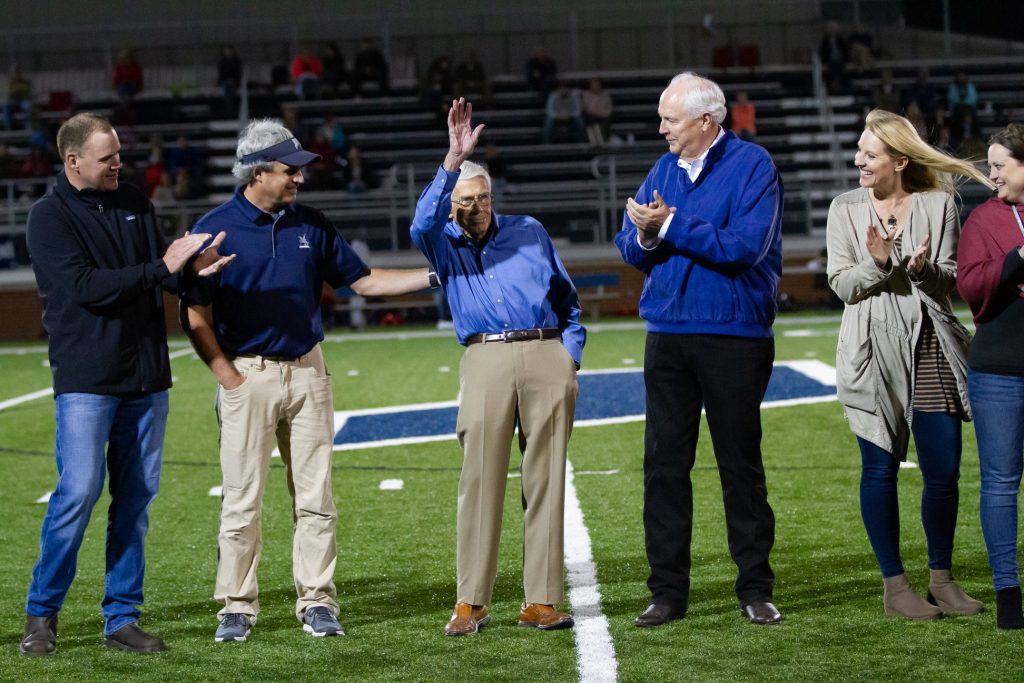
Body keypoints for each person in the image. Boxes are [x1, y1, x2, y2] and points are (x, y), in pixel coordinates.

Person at [180, 118, 432, 643]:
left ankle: (317, 600)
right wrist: (229, 378)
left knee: (316, 498)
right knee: (242, 500)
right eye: (289, 169)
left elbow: (363, 282)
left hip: (309, 372)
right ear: (256, 171)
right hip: (247, 374)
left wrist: (436, 276)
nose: (299, 178)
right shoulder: (212, 228)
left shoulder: (311, 224)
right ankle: (236, 607)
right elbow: (195, 316)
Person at [18, 112, 232, 657]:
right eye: (107, 157)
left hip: (146, 376)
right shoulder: (47, 218)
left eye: (119, 155)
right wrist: (164, 266)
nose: (119, 164)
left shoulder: (136, 201)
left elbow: (158, 273)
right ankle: (42, 615)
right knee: (79, 492)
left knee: (135, 501)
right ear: (74, 162)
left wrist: (192, 271)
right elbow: (86, 287)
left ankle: (121, 618)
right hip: (87, 378)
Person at [614, 72, 783, 628]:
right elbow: (629, 241)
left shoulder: (753, 165)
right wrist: (644, 234)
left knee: (739, 466)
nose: (661, 128)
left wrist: (671, 225)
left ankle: (755, 588)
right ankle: (666, 592)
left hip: (734, 336)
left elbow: (743, 247)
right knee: (663, 467)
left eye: (670, 119)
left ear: (707, 121)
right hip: (667, 334)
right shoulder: (663, 168)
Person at [411, 98, 584, 637]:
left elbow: (566, 297)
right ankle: (472, 601)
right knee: (480, 479)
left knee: (547, 479)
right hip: (485, 356)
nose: (478, 206)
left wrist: (568, 356)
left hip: (545, 352)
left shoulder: (529, 229)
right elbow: (421, 221)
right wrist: (451, 161)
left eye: (484, 197)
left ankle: (541, 600)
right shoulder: (444, 243)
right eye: (467, 199)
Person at [826, 109, 993, 620]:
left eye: (870, 154)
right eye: (859, 151)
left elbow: (949, 281)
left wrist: (921, 270)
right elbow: (843, 286)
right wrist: (877, 263)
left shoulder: (939, 205)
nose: (859, 161)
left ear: (899, 160)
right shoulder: (844, 208)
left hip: (929, 342)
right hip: (869, 348)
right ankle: (895, 587)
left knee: (943, 470)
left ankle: (941, 580)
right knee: (879, 468)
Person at [957, 122, 1024, 629]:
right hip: (999, 367)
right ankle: (1008, 594)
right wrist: (1019, 258)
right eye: (989, 164)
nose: (991, 174)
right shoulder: (982, 219)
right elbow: (971, 286)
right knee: (1000, 483)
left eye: (1000, 165)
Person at [582, 78, 613, 146]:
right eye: (594, 84)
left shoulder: (605, 95)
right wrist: (598, 112)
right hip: (591, 117)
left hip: (603, 116)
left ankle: (602, 142)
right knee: (591, 120)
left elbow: (608, 110)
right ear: (590, 86)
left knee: (604, 120)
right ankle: (594, 142)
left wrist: (598, 112)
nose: (596, 86)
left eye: (597, 84)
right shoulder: (586, 95)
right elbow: (587, 109)